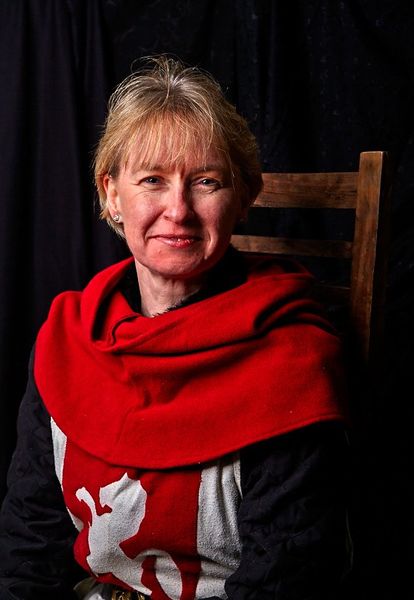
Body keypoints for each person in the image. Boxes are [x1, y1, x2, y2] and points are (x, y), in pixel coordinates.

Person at [0, 55, 350, 600]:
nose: (178, 210)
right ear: (112, 194)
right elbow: (30, 545)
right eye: (152, 180)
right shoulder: (68, 341)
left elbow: (284, 579)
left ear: (244, 197)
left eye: (206, 181)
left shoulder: (292, 358)